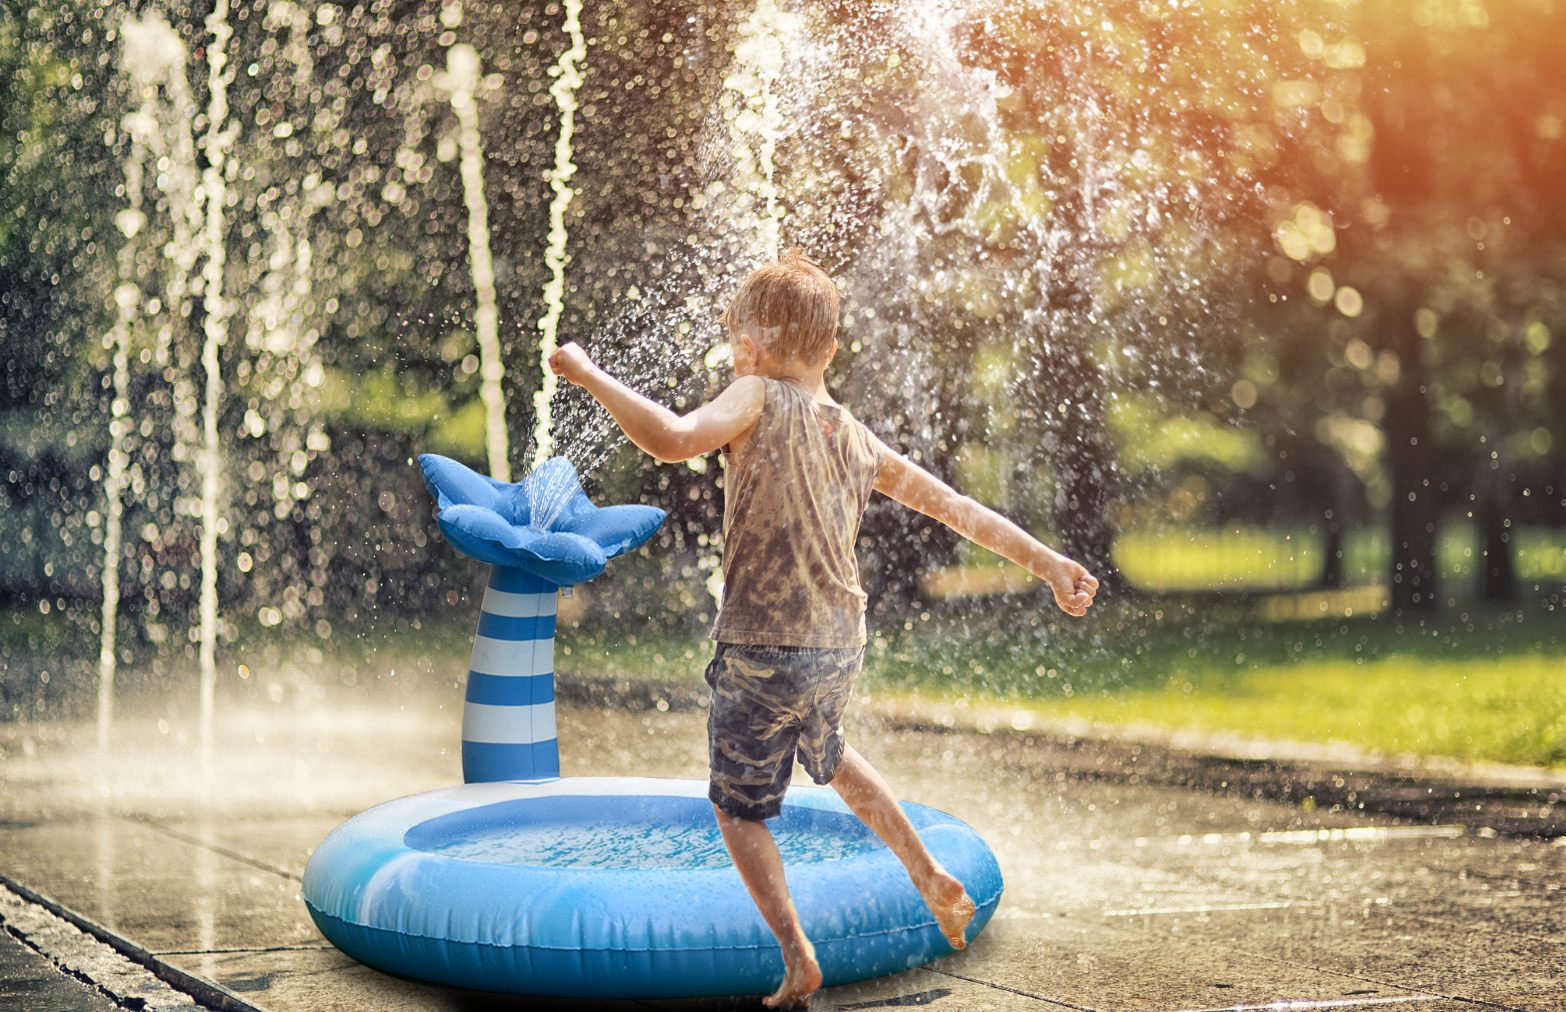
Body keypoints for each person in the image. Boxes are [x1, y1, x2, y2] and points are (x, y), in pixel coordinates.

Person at [548, 249, 1097, 1008]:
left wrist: (587, 375)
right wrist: (1049, 564)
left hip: (761, 641)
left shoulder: (753, 395)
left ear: (750, 344)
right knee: (829, 752)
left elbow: (672, 439)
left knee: (737, 806)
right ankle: (924, 871)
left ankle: (796, 954)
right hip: (839, 640)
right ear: (832, 349)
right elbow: (955, 508)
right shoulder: (854, 434)